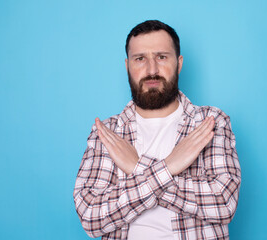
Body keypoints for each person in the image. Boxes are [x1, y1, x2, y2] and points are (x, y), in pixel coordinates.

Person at [73, 20, 241, 240]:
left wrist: (137, 167)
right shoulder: (108, 133)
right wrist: (170, 166)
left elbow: (223, 203)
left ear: (179, 63)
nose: (151, 70)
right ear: (127, 66)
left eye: (161, 57)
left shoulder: (210, 122)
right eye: (140, 58)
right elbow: (91, 217)